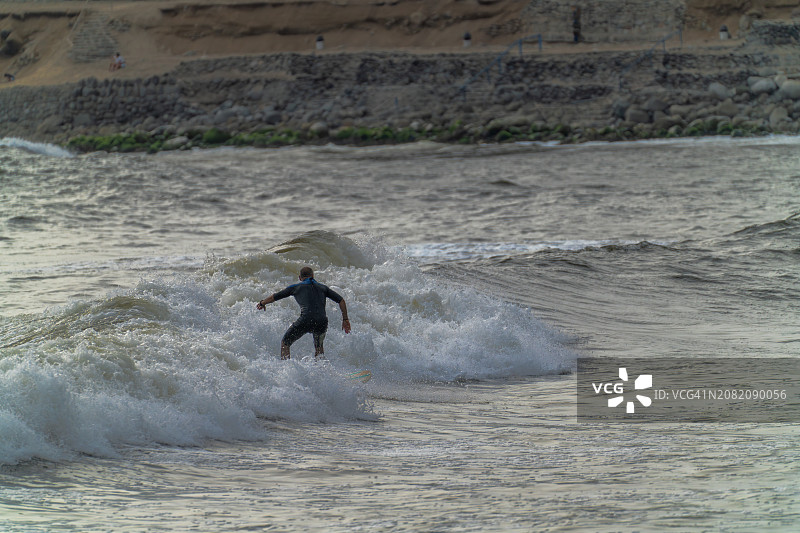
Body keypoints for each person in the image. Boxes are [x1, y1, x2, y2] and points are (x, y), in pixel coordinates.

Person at [257, 266, 351, 360]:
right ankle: (321, 367)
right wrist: (345, 319)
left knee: (285, 343)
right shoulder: (323, 288)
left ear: (300, 278)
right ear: (313, 276)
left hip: (305, 320)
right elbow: (341, 300)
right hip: (322, 322)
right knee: (319, 348)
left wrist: (262, 303)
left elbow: (275, 297)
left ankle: (286, 366)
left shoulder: (295, 287)